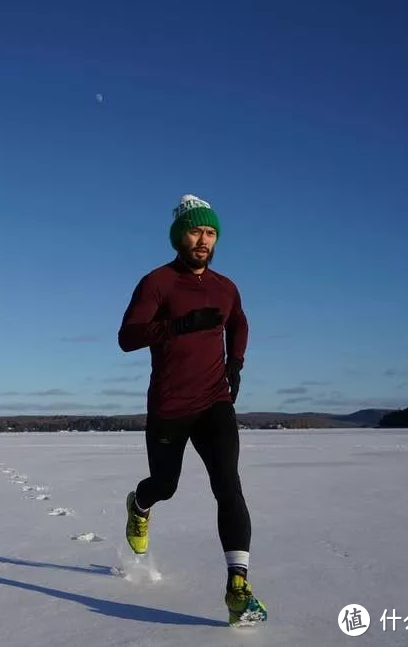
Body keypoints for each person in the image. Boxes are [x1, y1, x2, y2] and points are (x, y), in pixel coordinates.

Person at [116, 193, 267, 626]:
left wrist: (235, 363)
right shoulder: (157, 282)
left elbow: (238, 320)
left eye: (211, 232)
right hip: (169, 405)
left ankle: (238, 586)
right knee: (165, 484)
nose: (204, 239)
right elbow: (127, 336)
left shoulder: (225, 287)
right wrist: (178, 326)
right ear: (179, 236)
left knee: (229, 486)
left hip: (214, 402)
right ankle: (140, 505)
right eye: (197, 231)